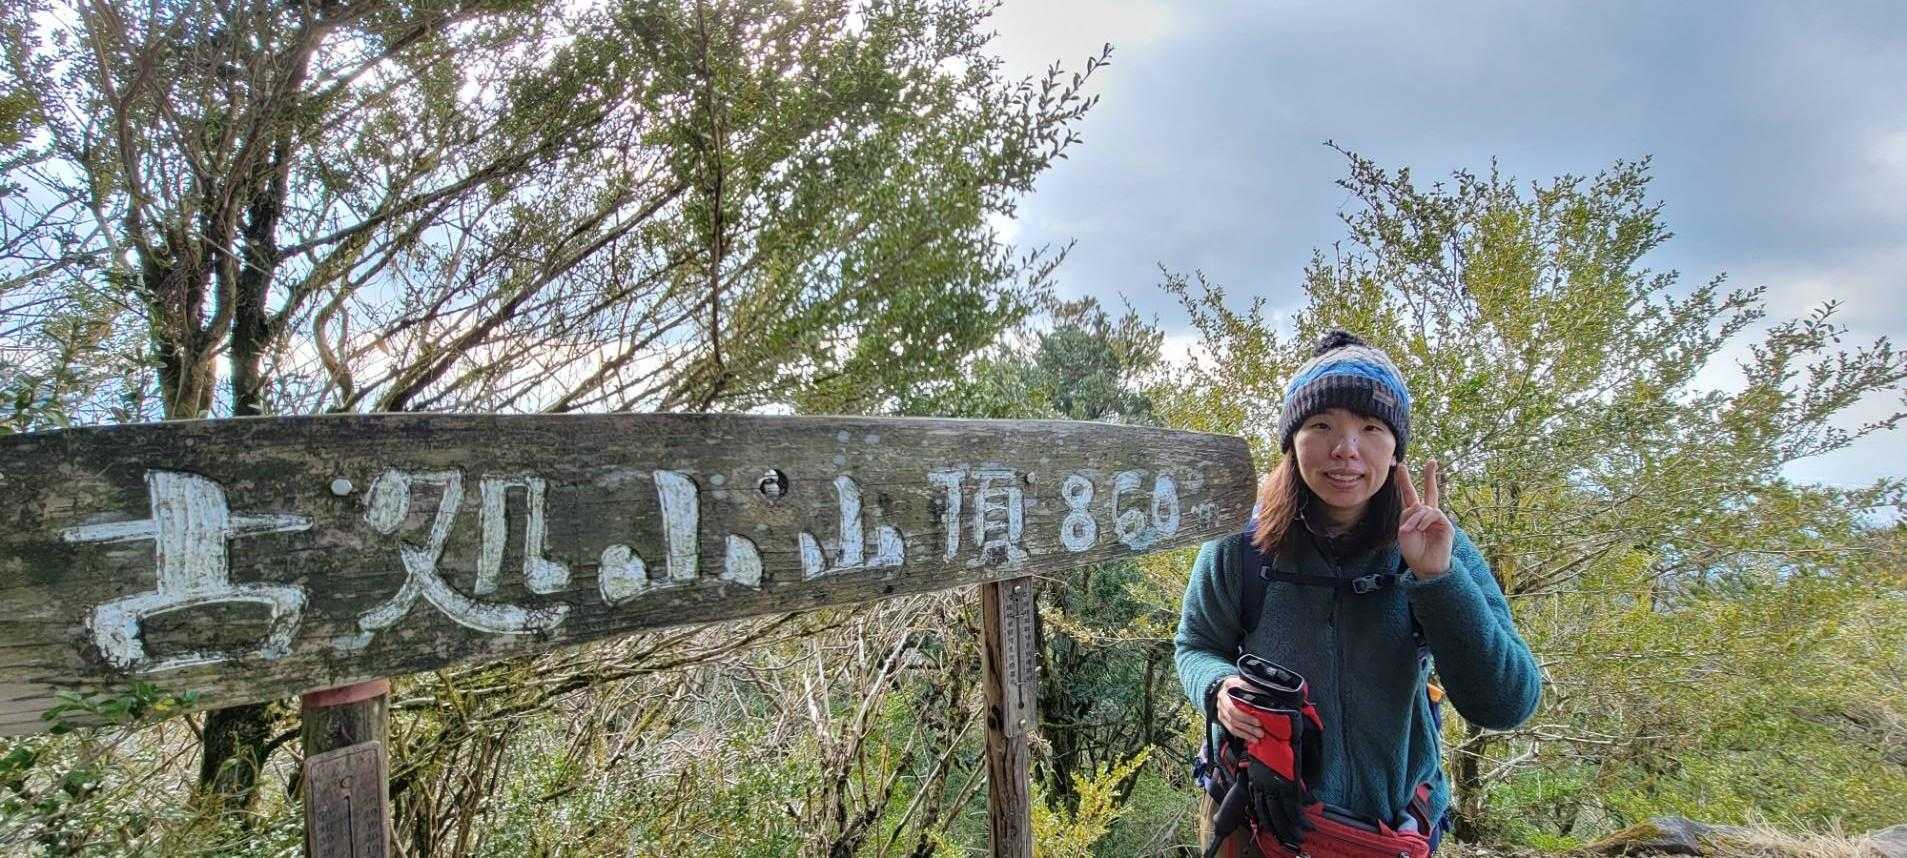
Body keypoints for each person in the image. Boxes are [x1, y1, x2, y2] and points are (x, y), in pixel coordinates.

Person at [1175, 330, 1541, 856]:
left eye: (1370, 427)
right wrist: (1217, 689)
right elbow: (1195, 646)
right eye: (1322, 425)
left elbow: (1508, 704)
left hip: (1390, 832)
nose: (1345, 449)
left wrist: (1438, 581)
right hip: (1259, 823)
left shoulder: (1437, 545)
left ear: (1395, 448)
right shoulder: (1242, 544)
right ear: (1292, 441)